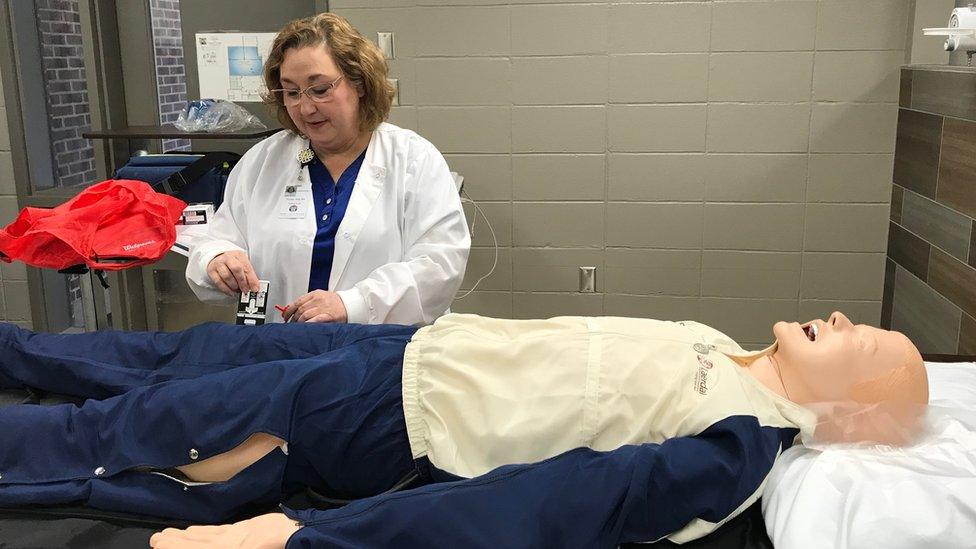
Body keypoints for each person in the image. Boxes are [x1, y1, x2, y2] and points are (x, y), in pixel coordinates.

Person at [0, 312, 927, 548]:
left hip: (385, 420)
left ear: (853, 411)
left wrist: (304, 536)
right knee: (158, 361)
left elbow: (552, 504)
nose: (842, 319)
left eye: (863, 340)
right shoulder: (720, 346)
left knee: (117, 436)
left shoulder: (740, 445)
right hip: (398, 351)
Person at [186, 13, 470, 326]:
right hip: (279, 352)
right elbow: (216, 240)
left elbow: (439, 265)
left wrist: (352, 304)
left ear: (359, 83)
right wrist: (217, 259)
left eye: (320, 89)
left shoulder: (414, 159)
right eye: (292, 92)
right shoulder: (263, 161)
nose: (305, 108)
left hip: (379, 352)